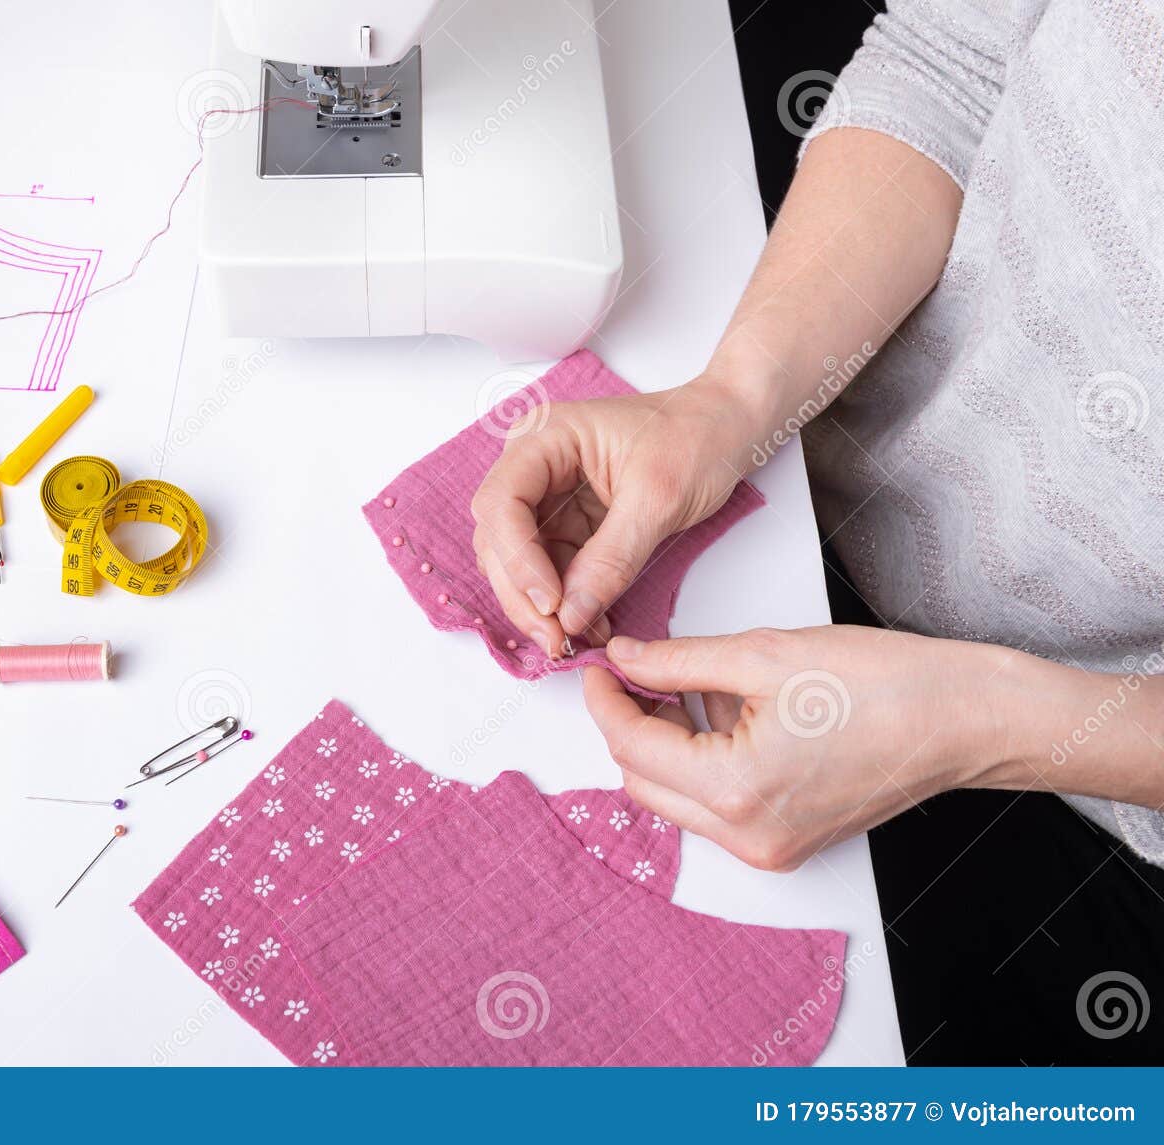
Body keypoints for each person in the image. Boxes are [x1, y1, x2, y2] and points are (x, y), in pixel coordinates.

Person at [471, 0, 1163, 1062]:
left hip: (1096, 798)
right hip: (820, 475)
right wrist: (731, 402)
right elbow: (959, 52)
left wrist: (980, 723)